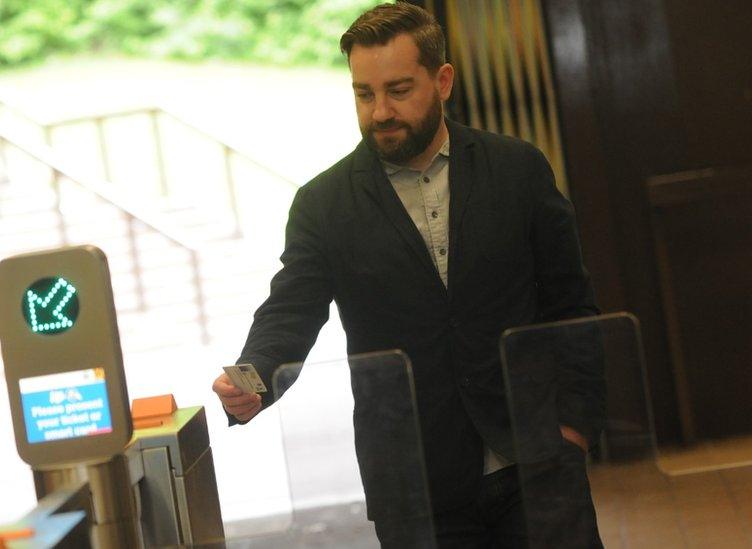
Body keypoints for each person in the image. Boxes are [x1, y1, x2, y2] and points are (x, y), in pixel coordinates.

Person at [211, 3, 605, 547]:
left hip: (536, 460)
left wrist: (576, 429)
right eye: (364, 94)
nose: (380, 112)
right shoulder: (323, 204)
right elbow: (291, 309)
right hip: (416, 483)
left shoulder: (518, 169)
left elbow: (572, 306)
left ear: (442, 81)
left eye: (398, 90)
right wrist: (252, 378)